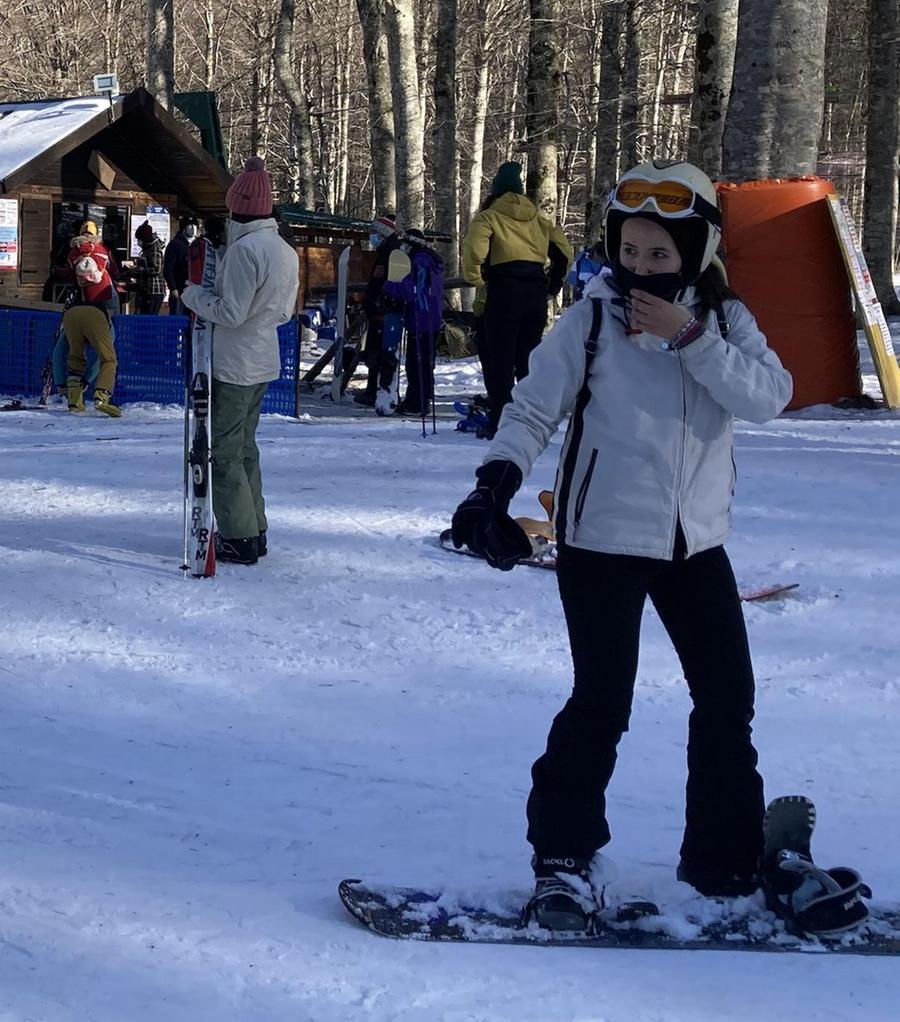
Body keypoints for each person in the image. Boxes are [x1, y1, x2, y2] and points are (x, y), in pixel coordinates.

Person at [451, 160, 793, 932]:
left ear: (697, 254)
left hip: (695, 545)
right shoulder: (592, 319)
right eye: (629, 251)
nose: (640, 268)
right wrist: (492, 488)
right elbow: (533, 408)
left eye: (659, 256)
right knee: (602, 702)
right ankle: (564, 860)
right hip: (600, 542)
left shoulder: (727, 324)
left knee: (727, 702)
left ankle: (722, 856)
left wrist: (690, 339)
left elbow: (769, 397)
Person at [180, 156, 299, 566]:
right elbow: (283, 311)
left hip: (234, 361)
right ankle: (256, 526)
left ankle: (239, 534)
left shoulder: (244, 251)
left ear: (236, 207)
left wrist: (191, 294)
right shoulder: (283, 249)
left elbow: (230, 312)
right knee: (246, 447)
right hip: (264, 355)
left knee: (225, 451)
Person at [461, 161, 573, 438]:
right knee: (527, 358)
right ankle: (529, 419)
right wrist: (554, 284)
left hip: (503, 288)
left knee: (498, 358)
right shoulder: (539, 220)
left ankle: (500, 420)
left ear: (495, 192)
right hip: (534, 290)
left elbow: (475, 249)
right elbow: (564, 252)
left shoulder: (489, 217)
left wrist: (477, 278)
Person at [381, 228, 445, 418]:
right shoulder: (431, 260)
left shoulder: (420, 262)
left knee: (417, 362)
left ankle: (418, 401)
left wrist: (389, 286)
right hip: (430, 315)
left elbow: (412, 289)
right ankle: (419, 398)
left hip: (421, 315)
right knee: (424, 361)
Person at [355, 214, 403, 407]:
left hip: (383, 312)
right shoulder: (386, 252)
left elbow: (385, 282)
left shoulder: (391, 254)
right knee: (375, 352)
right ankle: (374, 388)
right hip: (378, 310)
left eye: (374, 233)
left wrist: (378, 300)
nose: (371, 237)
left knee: (379, 354)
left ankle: (377, 390)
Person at [62, 300, 121, 417]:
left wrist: (60, 382)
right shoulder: (108, 327)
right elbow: (103, 359)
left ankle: (74, 401)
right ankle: (101, 397)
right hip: (95, 315)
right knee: (109, 360)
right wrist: (87, 380)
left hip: (70, 314)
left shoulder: (64, 332)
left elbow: (57, 353)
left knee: (76, 358)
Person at [67, 220, 120, 313]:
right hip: (106, 292)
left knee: (90, 322)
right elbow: (114, 271)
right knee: (112, 320)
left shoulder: (73, 253)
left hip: (85, 294)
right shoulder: (103, 250)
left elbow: (71, 276)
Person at [164, 216, 199, 315]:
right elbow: (168, 268)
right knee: (178, 316)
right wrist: (173, 287)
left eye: (195, 226)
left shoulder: (198, 244)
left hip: (194, 289)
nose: (192, 228)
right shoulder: (175, 244)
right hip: (180, 288)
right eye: (189, 226)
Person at [132, 221, 166, 314]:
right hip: (148, 289)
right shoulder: (148, 248)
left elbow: (157, 269)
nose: (138, 242)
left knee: (150, 317)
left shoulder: (154, 248)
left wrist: (141, 270)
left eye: (139, 239)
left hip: (154, 289)